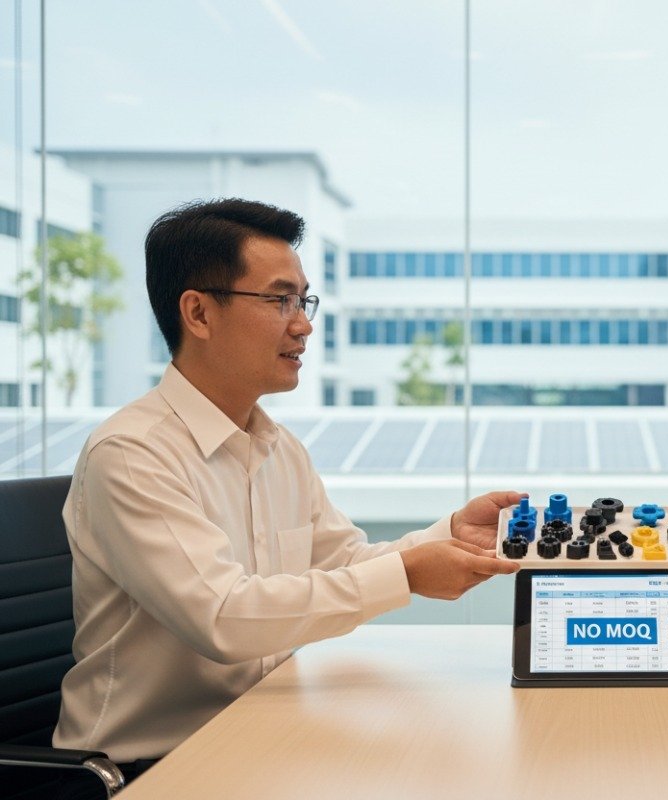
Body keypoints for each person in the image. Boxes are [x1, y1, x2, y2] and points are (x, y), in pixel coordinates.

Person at [52, 198, 520, 797]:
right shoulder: (132, 453)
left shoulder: (277, 446)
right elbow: (221, 617)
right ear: (197, 312)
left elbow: (342, 561)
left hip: (260, 733)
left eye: (304, 300)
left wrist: (447, 536)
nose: (303, 324)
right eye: (278, 300)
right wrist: (406, 574)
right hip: (151, 769)